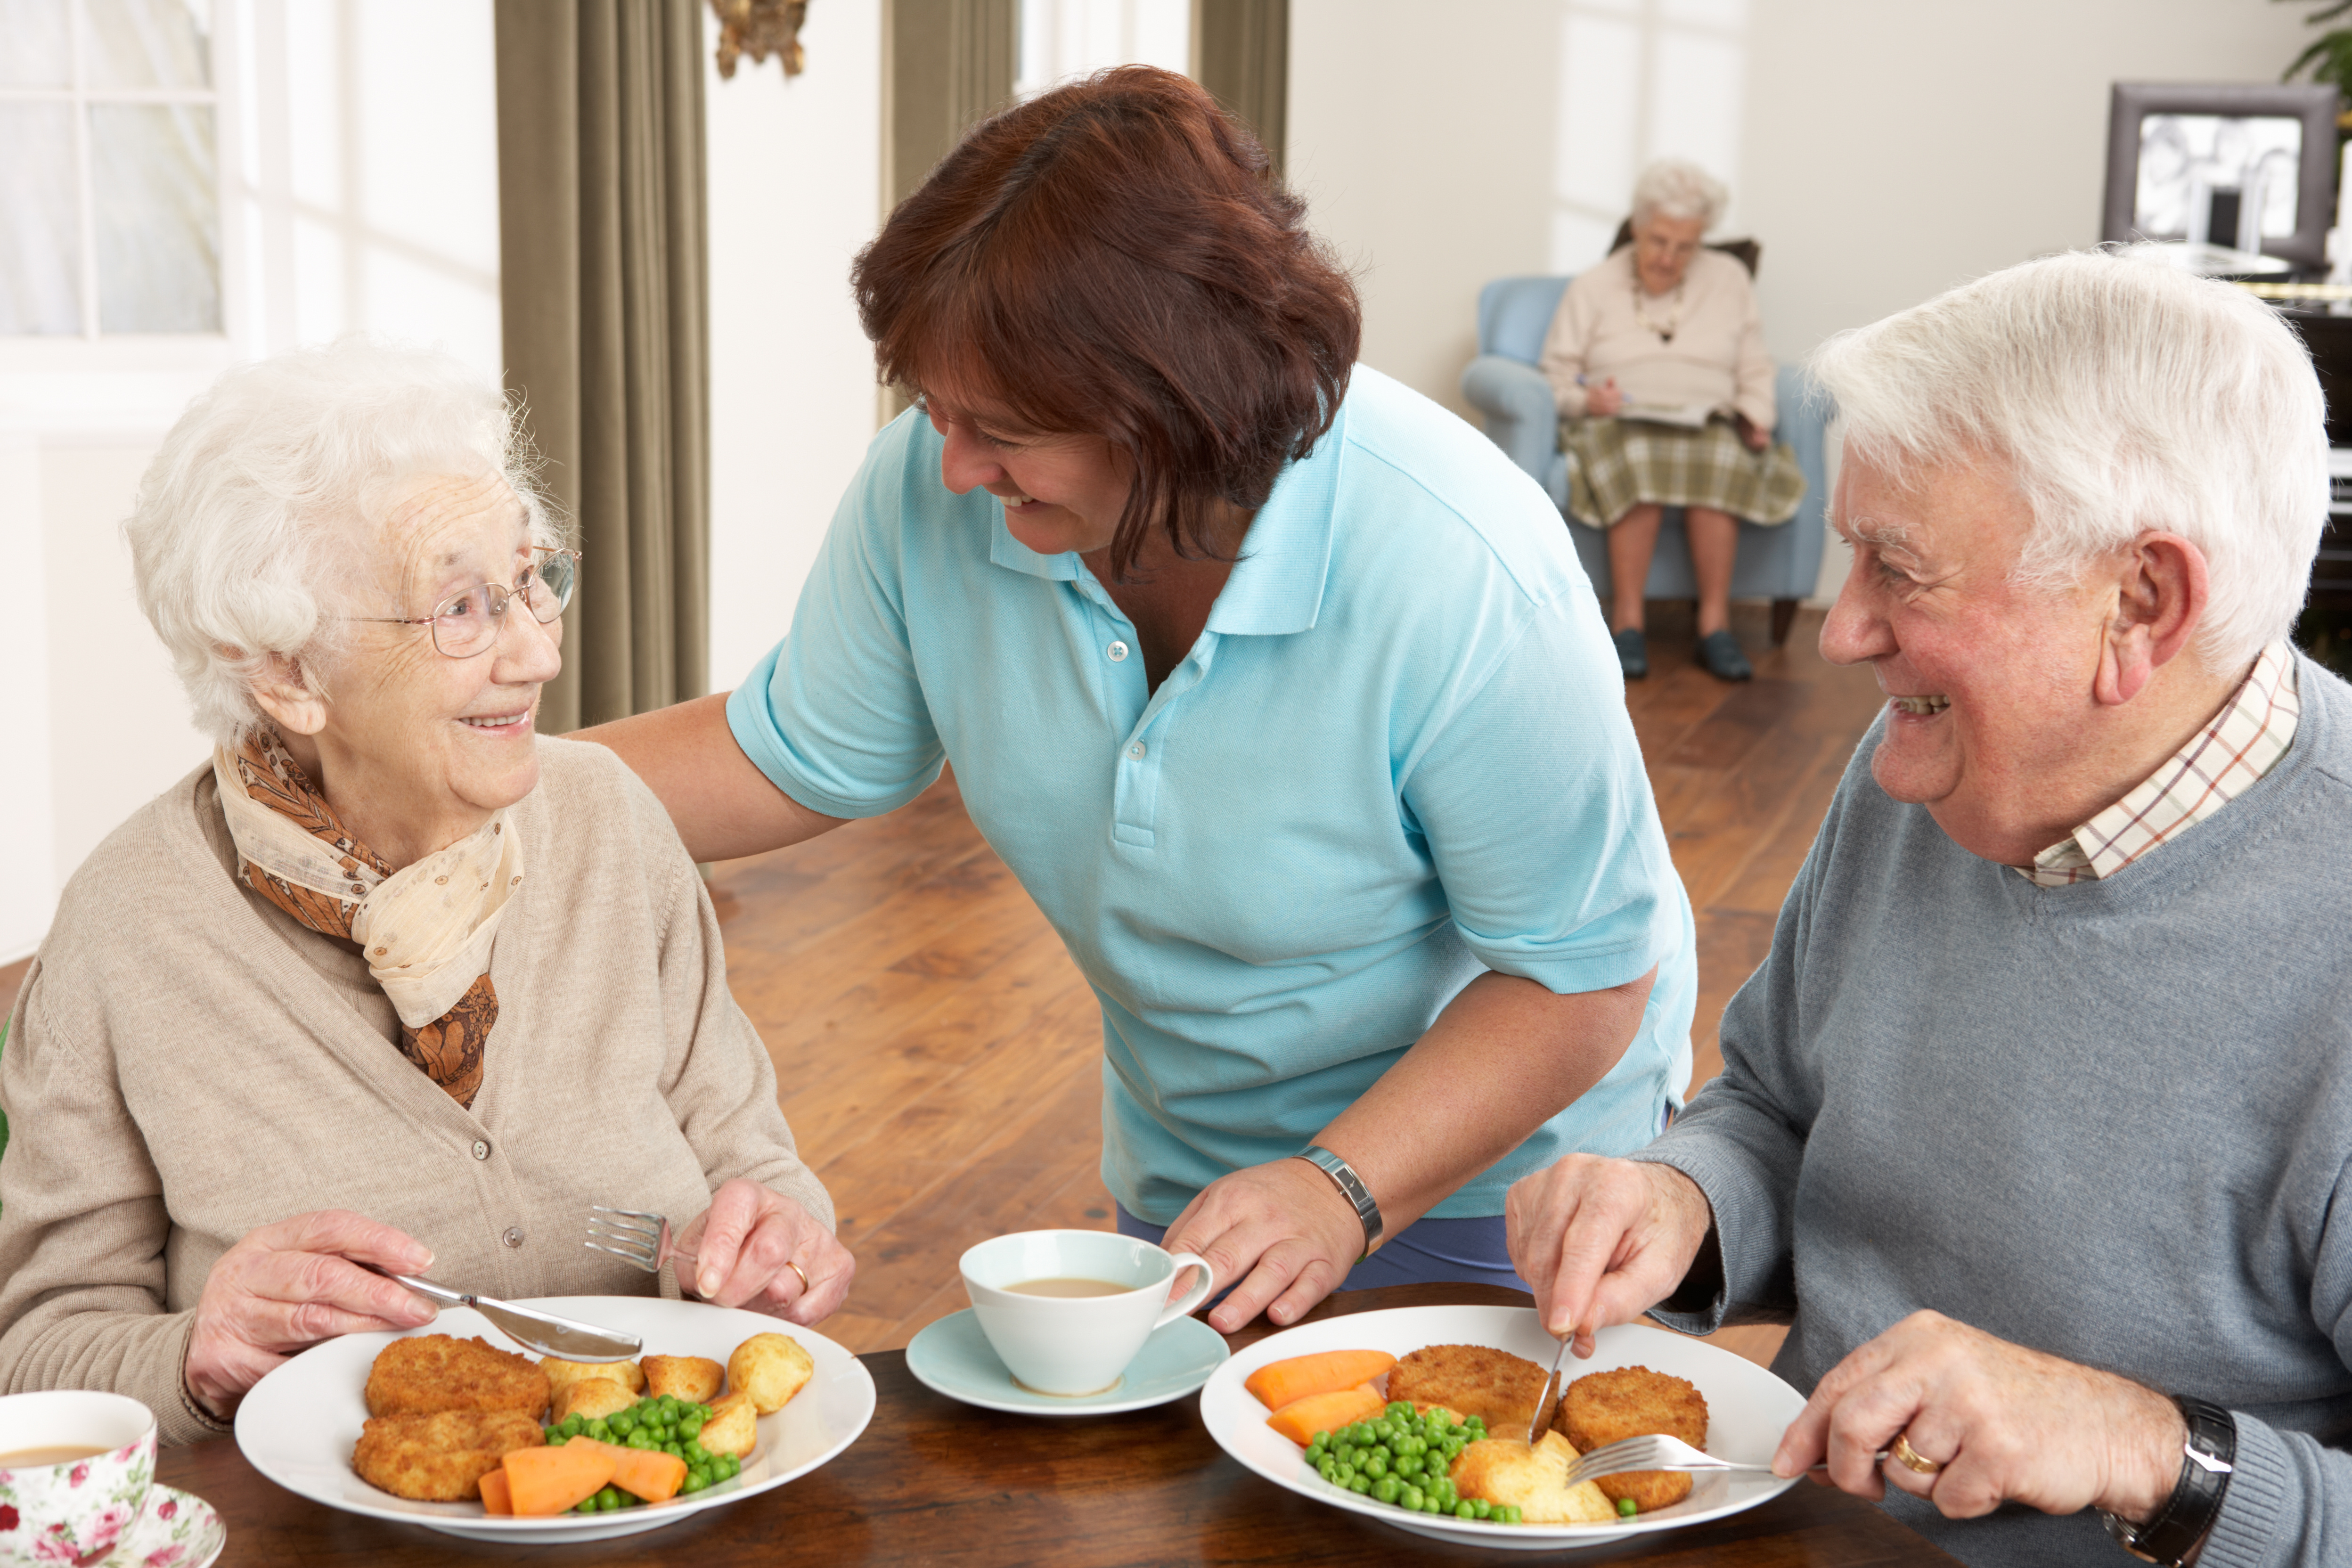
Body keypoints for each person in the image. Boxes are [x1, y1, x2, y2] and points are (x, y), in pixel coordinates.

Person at [584, 67, 1699, 1336]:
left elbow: (1582, 978)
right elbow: (786, 754)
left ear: (1176, 408)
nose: (950, 463)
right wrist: (471, 788)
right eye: (935, 411)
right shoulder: (944, 491)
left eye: (1000, 426)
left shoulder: (1462, 566)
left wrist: (1343, 1187)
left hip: (1505, 1183)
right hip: (1198, 1169)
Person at [1505, 251, 2351, 1567]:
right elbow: (1779, 1102)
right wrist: (1686, 1201)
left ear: (2143, 602)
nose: (1844, 633)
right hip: (1795, 1526)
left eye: (1898, 571)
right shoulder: (1930, 763)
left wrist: (2141, 1447)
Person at [0, 341, 851, 1444]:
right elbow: (36, 1352)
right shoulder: (127, 928)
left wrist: (775, 1240)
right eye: (460, 607)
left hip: (655, 1500)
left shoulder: (609, 822)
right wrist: (197, 1352)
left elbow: (753, 1161)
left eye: (533, 579)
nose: (536, 651)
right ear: (285, 671)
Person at [1539, 159, 1805, 683]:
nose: (1668, 257)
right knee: (1638, 456)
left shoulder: (1728, 279)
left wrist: (1757, 415)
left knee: (1723, 456)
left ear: (1702, 239)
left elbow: (1754, 362)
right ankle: (1628, 624)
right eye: (1658, 240)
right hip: (1619, 421)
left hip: (1707, 419)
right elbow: (1556, 375)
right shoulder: (1593, 286)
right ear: (1636, 227)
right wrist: (1585, 401)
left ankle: (1714, 627)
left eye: (1685, 247)